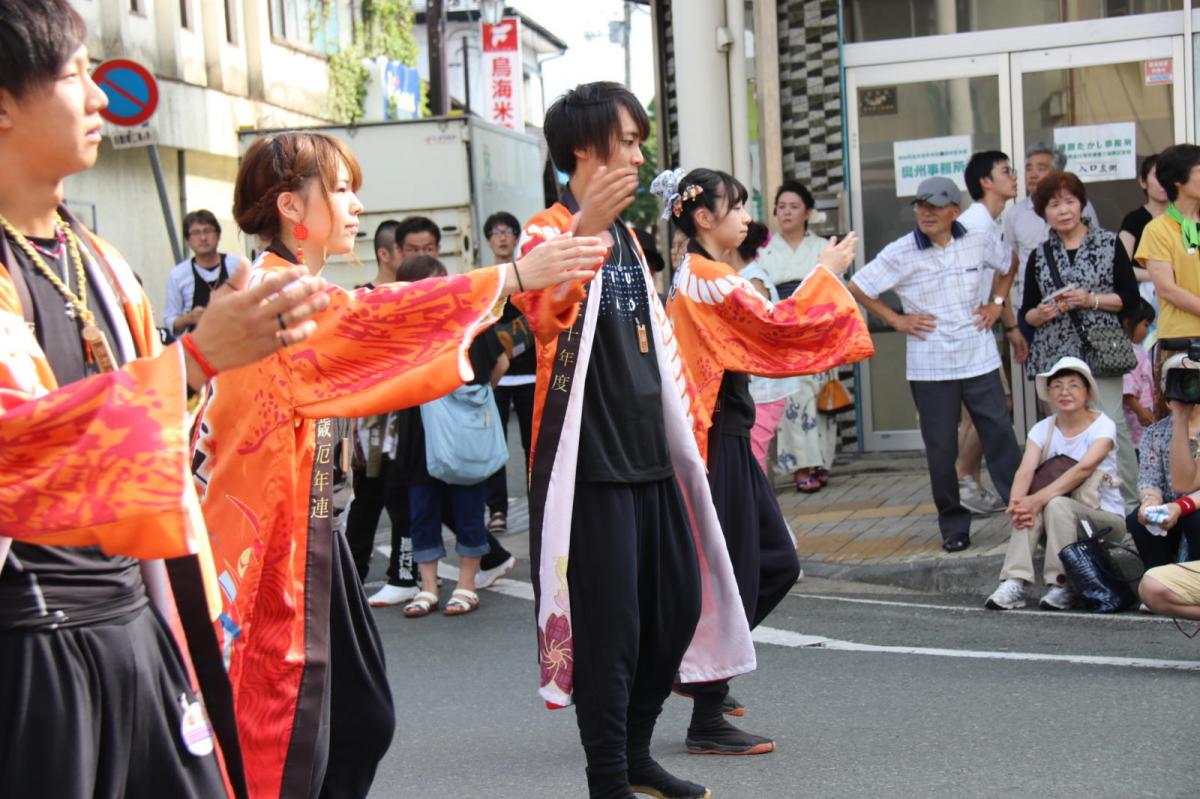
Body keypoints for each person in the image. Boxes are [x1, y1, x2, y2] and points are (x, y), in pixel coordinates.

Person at [191, 130, 604, 797]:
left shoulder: (287, 286)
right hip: (280, 549)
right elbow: (377, 318)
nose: (357, 204)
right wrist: (513, 276)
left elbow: (372, 321)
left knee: (351, 720)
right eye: (343, 188)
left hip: (308, 537)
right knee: (296, 730)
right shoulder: (276, 294)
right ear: (292, 206)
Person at [0, 2, 330, 794]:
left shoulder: (101, 262)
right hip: (33, 637)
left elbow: (164, 443)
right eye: (76, 73)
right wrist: (189, 366)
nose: (99, 97)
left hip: (135, 613)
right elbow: (20, 450)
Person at [514, 81, 754, 799]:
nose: (639, 152)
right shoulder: (544, 231)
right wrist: (583, 223)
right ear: (585, 146)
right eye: (628, 139)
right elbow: (545, 312)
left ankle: (638, 752)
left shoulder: (627, 235)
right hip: (591, 470)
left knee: (675, 608)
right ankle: (608, 778)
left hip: (653, 459)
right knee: (611, 629)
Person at [658, 167, 872, 755]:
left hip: (725, 436)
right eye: (737, 206)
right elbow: (778, 329)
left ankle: (694, 669)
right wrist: (826, 274)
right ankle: (705, 711)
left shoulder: (700, 274)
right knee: (737, 574)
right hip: (716, 439)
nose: (747, 216)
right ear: (704, 218)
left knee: (773, 563)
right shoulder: (707, 277)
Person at [849, 176, 1022, 552]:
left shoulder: (977, 238)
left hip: (978, 356)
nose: (926, 213)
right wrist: (895, 320)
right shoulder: (901, 251)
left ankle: (1024, 517)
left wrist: (996, 301)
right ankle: (953, 524)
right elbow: (858, 286)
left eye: (935, 206)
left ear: (954, 211)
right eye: (920, 206)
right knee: (941, 447)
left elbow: (1009, 262)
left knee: (1001, 439)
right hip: (930, 365)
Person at [388, 254, 507, 618]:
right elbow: (498, 367)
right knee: (424, 510)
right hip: (419, 437)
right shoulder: (407, 329)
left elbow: (497, 364)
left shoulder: (470, 324)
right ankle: (428, 588)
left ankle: (466, 585)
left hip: (454, 436)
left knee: (464, 508)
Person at [1019, 170, 1140, 511]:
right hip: (1056, 355)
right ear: (1044, 213)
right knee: (1064, 431)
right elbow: (1025, 312)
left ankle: (1130, 505)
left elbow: (1129, 299)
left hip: (1101, 349)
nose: (1063, 210)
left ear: (1082, 203)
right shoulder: (1039, 255)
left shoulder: (1108, 242)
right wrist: (1037, 315)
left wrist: (1092, 300)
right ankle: (1074, 504)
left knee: (1112, 423)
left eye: (1069, 201)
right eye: (1054, 204)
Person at [985, 358, 1126, 610]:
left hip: (1104, 523)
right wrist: (1016, 506)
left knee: (1053, 503)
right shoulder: (1042, 428)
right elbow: (1025, 471)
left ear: (1087, 393)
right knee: (1034, 506)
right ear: (1048, 393)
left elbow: (1082, 470)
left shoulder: (1104, 426)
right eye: (1057, 386)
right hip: (1056, 524)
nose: (1065, 392)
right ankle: (1014, 581)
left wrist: (1034, 500)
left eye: (1073, 385)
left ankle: (1061, 584)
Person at [342, 219, 419, 604]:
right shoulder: (363, 299)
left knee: (402, 496)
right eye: (407, 250)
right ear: (387, 254)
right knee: (368, 497)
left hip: (409, 419)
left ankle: (404, 574)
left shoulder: (417, 295)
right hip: (372, 424)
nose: (415, 257)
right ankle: (354, 574)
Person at [754, 180, 839, 491]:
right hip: (784, 332)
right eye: (782, 206)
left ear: (808, 213)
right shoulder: (764, 253)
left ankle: (822, 461)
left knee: (821, 397)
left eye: (794, 206)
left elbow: (834, 287)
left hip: (819, 331)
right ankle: (802, 466)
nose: (786, 212)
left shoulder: (821, 248)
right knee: (794, 400)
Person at [956, 150, 1025, 514]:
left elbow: (1004, 270)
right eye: (1005, 171)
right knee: (990, 407)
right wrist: (997, 308)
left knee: (985, 409)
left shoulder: (992, 222)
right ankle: (964, 478)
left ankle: (968, 482)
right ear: (986, 182)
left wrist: (1004, 315)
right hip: (964, 330)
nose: (1013, 177)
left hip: (980, 328)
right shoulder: (974, 224)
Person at [734, 221, 801, 473]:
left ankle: (761, 512)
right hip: (759, 387)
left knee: (753, 461)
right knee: (751, 461)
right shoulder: (744, 276)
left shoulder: (752, 281)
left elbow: (757, 335)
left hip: (764, 388)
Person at [482, 210, 534, 536]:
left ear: (516, 237)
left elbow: (538, 319)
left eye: (508, 231)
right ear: (489, 240)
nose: (502, 237)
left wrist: (508, 344)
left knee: (534, 446)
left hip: (530, 374)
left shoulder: (528, 275)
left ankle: (537, 503)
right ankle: (497, 510)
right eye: (496, 232)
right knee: (495, 446)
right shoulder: (485, 277)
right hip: (495, 376)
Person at [1126, 354, 1200, 579]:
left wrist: (1181, 506)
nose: (1184, 387)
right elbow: (1149, 479)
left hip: (1192, 511)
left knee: (1196, 519)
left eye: (1191, 379)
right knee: (1139, 519)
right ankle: (1159, 579)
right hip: (1171, 511)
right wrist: (1150, 502)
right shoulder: (1155, 432)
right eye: (1176, 380)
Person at [1137, 144, 1200, 405]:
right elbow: (1167, 289)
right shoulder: (1158, 229)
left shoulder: (1193, 225)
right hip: (1182, 340)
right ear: (1178, 180)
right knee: (1182, 425)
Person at [1003, 142, 1099, 290]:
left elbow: (1096, 246)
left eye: (1041, 168)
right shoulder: (1015, 214)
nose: (1032, 175)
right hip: (1033, 304)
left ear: (1058, 173)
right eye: (1029, 168)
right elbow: (1011, 260)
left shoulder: (1079, 206)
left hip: (1078, 296)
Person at [163, 209, 251, 337]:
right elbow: (170, 323)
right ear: (187, 240)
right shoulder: (178, 275)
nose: (203, 238)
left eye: (208, 231)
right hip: (199, 348)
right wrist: (189, 318)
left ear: (219, 235)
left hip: (238, 341)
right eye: (196, 233)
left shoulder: (239, 265)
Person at [1119, 153, 1168, 310]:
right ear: (1143, 182)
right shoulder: (1133, 220)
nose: (1163, 181)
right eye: (1157, 175)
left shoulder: (1187, 220)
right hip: (1146, 300)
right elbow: (1122, 267)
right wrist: (1157, 276)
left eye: (1168, 174)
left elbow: (1194, 256)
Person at [1121, 298, 1156, 446]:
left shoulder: (1139, 349)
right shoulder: (1124, 351)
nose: (1147, 331)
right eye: (1145, 325)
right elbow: (1127, 388)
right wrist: (1140, 411)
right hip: (1135, 415)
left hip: (1144, 413)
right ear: (1128, 322)